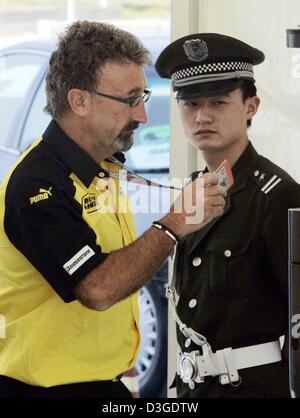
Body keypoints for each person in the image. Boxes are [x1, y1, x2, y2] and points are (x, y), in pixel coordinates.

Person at [0, 21, 226, 399]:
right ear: (79, 101)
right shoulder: (36, 185)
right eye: (130, 100)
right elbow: (97, 288)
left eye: (144, 98)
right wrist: (174, 224)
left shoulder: (102, 167)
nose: (141, 116)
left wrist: (118, 372)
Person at [155, 33, 300, 398]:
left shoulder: (278, 194)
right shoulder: (191, 192)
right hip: (193, 389)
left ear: (250, 106)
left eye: (218, 102)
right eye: (190, 104)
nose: (202, 116)